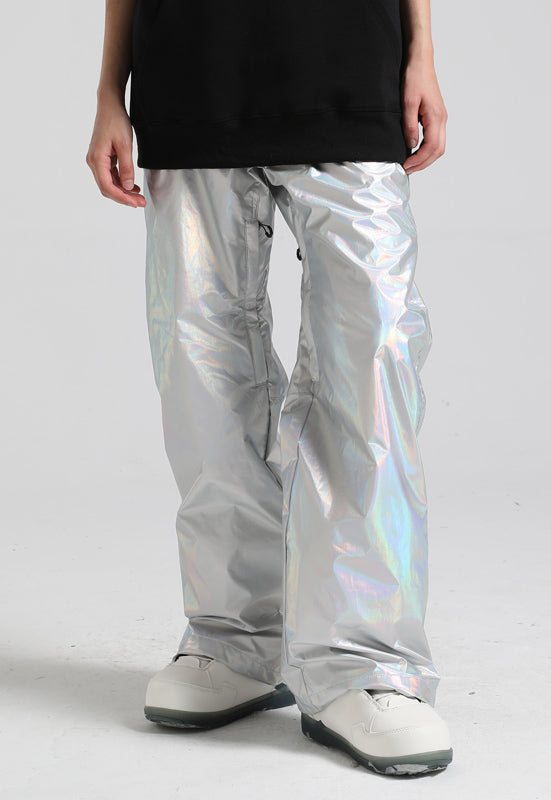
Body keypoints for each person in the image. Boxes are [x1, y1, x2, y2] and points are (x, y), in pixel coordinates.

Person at [87, 0, 451, 777]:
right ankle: (236, 638)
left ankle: (366, 662)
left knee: (373, 357)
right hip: (191, 72)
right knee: (201, 367)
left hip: (348, 63)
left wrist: (422, 49)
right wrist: (108, 90)